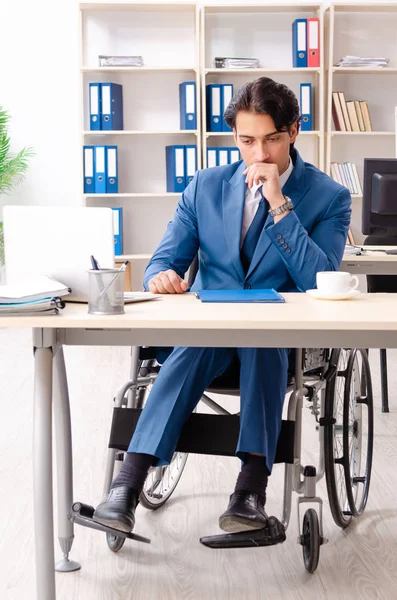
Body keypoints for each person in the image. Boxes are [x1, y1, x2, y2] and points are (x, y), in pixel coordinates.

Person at [93, 77, 351, 535]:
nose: (259, 154)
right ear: (235, 137)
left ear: (293, 131)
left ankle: (249, 491)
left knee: (264, 343)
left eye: (271, 140)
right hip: (207, 335)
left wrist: (278, 205)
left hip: (277, 342)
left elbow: (320, 280)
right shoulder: (205, 186)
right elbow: (164, 258)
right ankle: (127, 485)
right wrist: (162, 275)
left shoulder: (329, 197)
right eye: (247, 140)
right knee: (195, 343)